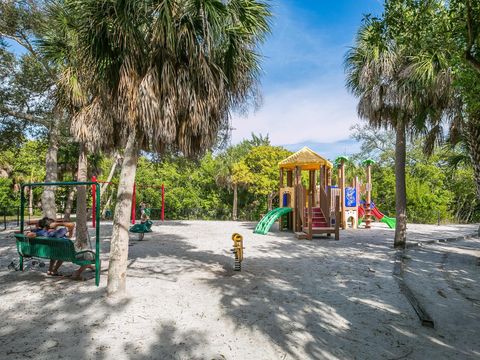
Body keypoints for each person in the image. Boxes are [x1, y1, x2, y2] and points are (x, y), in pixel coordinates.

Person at [26, 217, 91, 279]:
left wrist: (41, 225)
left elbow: (28, 234)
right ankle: (77, 273)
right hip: (70, 254)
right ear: (52, 225)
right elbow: (72, 224)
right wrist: (59, 223)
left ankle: (51, 270)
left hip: (55, 252)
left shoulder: (42, 233)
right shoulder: (59, 232)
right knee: (89, 257)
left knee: (57, 251)